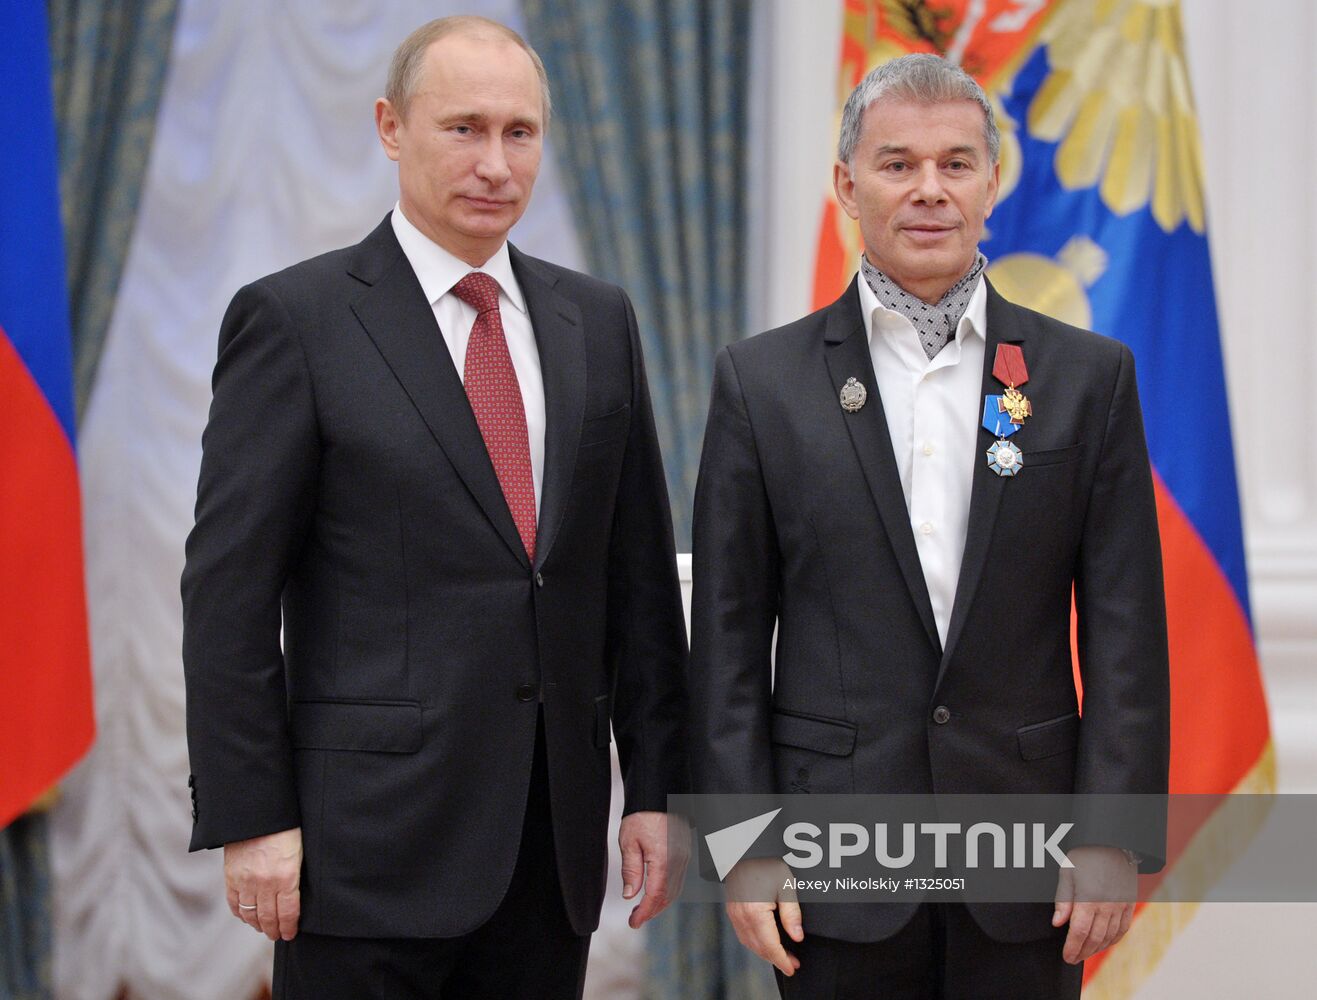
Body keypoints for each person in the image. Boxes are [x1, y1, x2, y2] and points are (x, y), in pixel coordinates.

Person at [181, 16, 688, 999]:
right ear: (390, 127)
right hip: (362, 850)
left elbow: (636, 581)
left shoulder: (600, 319)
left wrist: (658, 792)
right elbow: (228, 594)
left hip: (551, 850)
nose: (495, 163)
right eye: (463, 128)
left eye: (519, 133)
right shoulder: (296, 320)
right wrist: (252, 817)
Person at [689, 53, 1169, 998]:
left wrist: (1113, 828)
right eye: (896, 163)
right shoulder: (760, 383)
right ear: (846, 184)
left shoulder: (1087, 377)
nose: (928, 191)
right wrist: (743, 841)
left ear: (992, 182)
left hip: (1029, 858)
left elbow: (1125, 630)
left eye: (955, 164)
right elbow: (729, 640)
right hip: (833, 861)